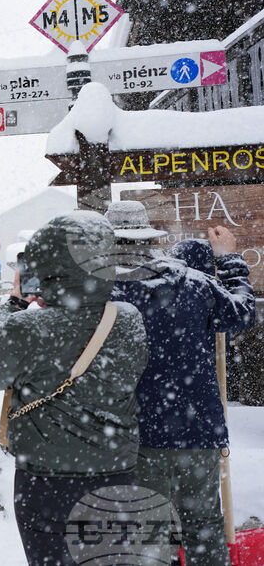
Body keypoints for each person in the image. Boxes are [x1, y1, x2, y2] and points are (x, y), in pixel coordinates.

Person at [0, 212, 149, 564]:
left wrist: (16, 305)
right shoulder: (127, 319)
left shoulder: (28, 329)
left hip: (46, 481)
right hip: (115, 472)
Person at [107, 201, 255, 564]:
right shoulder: (194, 283)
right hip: (197, 431)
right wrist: (230, 260)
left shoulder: (98, 294)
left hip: (133, 435)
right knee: (204, 526)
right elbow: (241, 313)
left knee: (149, 535)